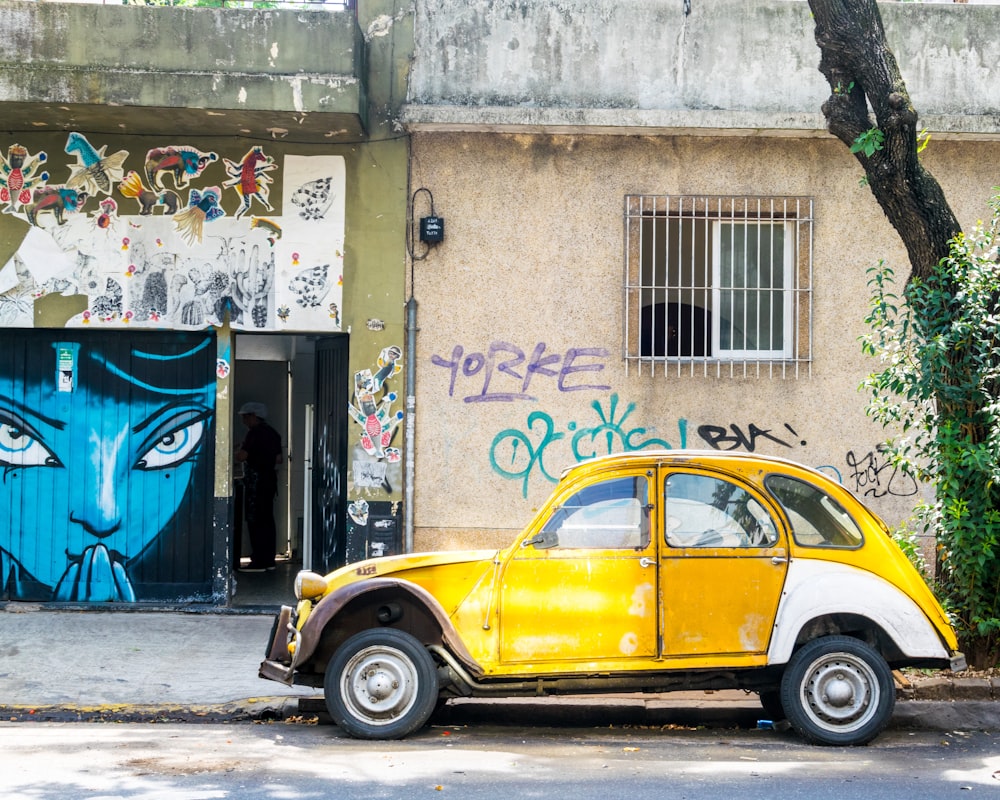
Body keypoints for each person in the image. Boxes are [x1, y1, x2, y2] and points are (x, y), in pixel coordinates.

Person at [235, 401, 283, 572]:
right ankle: (269, 560)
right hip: (270, 480)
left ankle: (259, 561)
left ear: (253, 416)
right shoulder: (273, 433)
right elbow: (279, 459)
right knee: (267, 520)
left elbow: (242, 456)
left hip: (256, 482)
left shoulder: (254, 434)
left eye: (245, 417)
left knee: (255, 520)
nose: (243, 421)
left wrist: (235, 451)